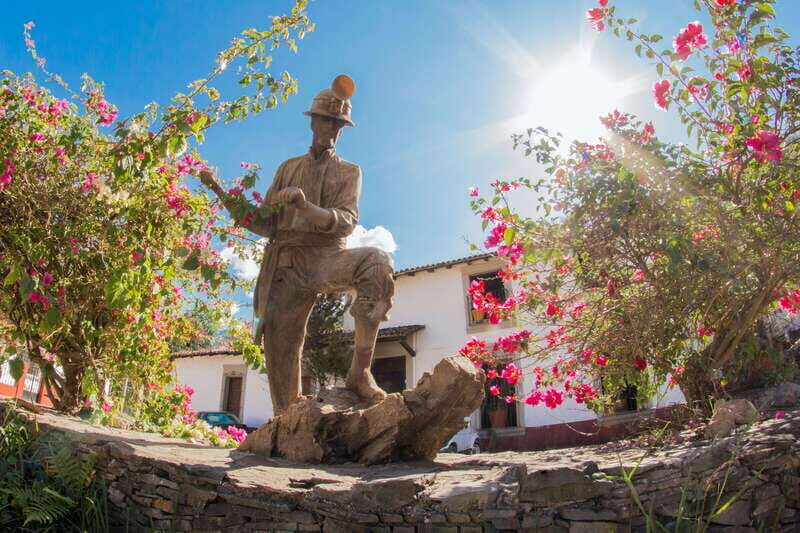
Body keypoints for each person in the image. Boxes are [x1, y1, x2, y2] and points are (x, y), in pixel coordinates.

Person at [199, 75, 394, 415]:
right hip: (286, 264)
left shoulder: (349, 172)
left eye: (338, 124)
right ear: (313, 121)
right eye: (326, 120)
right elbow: (264, 222)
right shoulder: (288, 168)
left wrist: (307, 208)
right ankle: (287, 417)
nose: (332, 128)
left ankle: (360, 372)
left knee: (376, 262)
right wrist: (220, 192)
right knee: (281, 344)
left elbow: (346, 219)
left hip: (326, 257)